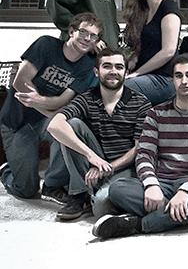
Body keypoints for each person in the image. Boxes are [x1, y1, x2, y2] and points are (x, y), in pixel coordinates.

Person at [92, 53, 188, 239]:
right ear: (172, 79)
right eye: (178, 76)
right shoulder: (156, 114)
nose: (184, 81)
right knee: (118, 190)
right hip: (161, 182)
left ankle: (137, 224)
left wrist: (184, 191)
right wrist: (151, 184)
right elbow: (144, 155)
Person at [0, 13, 101, 202]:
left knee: (71, 125)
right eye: (83, 32)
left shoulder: (87, 65)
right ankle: (7, 171)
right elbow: (20, 82)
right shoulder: (46, 45)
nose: (87, 38)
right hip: (17, 122)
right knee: (27, 190)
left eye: (93, 35)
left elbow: (62, 100)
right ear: (71, 31)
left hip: (45, 119)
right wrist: (49, 111)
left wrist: (39, 101)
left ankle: (52, 184)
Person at [47, 48, 152, 220]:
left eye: (119, 67)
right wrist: (92, 157)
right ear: (97, 72)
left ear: (126, 72)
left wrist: (107, 168)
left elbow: (139, 148)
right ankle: (79, 195)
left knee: (103, 208)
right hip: (96, 160)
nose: (113, 71)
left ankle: (95, 196)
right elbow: (54, 125)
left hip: (123, 167)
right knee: (71, 125)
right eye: (107, 66)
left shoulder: (141, 103)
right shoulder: (86, 98)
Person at [123, 0, 180, 106]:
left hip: (164, 79)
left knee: (120, 89)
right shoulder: (142, 10)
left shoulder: (168, 6)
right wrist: (133, 58)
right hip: (143, 75)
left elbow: (168, 51)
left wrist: (137, 73)